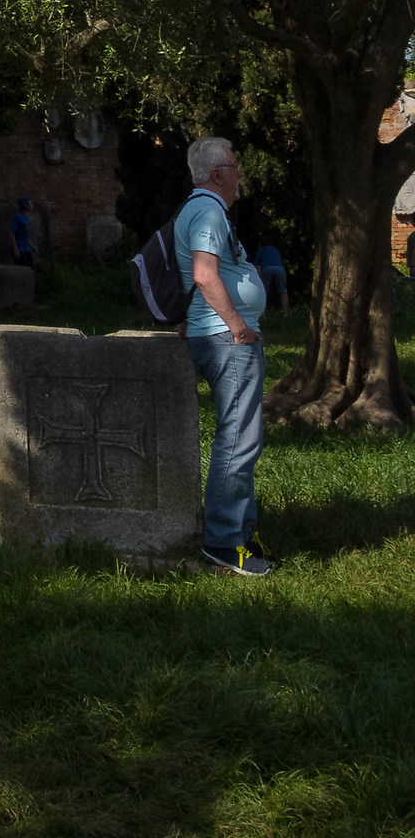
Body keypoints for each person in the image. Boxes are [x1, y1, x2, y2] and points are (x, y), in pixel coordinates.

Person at [176, 135, 274, 577]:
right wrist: (238, 327)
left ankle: (241, 534)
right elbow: (203, 274)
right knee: (238, 440)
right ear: (217, 174)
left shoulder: (206, 211)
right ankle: (223, 544)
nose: (239, 172)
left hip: (221, 336)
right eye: (234, 165)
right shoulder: (207, 210)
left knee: (242, 441)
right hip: (226, 339)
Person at [255, 237, 289, 313]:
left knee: (264, 291)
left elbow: (257, 266)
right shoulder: (276, 250)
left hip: (267, 268)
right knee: (283, 291)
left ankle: (263, 312)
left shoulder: (261, 251)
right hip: (279, 268)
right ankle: (286, 312)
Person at [9, 197, 36, 266]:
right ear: (25, 206)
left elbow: (25, 236)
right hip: (19, 247)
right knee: (23, 268)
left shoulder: (26, 218)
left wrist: (32, 246)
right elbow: (12, 233)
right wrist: (15, 249)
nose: (32, 206)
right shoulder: (17, 217)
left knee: (31, 268)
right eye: (30, 204)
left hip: (26, 247)